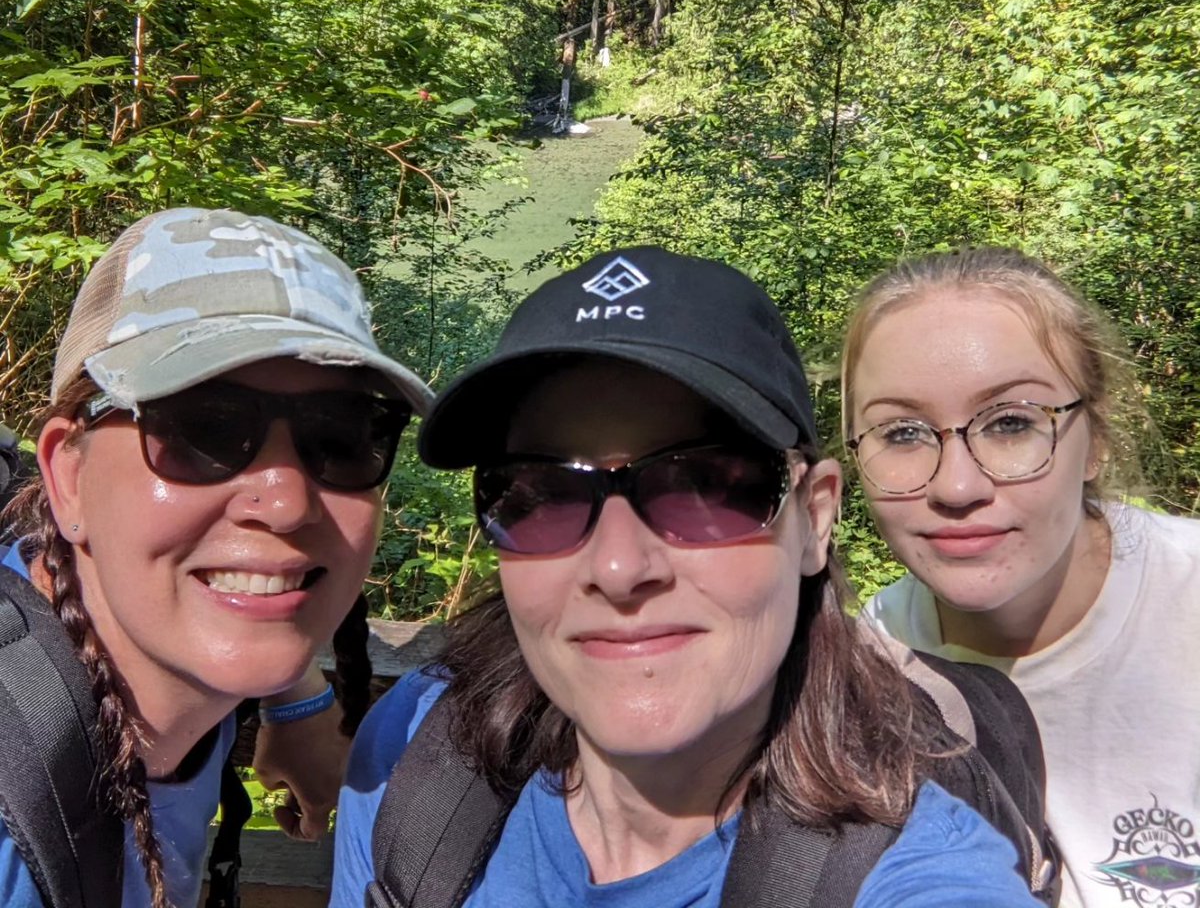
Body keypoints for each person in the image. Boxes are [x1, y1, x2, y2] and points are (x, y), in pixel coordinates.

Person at [333, 246, 1044, 907]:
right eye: (543, 495)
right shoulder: (419, 752)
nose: (617, 568)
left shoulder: (917, 872)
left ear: (816, 519)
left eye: (706, 487)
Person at [1, 206, 433, 908]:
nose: (288, 502)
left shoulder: (151, 637)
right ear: (68, 476)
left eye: (342, 437)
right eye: (204, 430)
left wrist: (293, 702)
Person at [841, 246, 1200, 908]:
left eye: (1010, 424)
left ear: (1095, 440)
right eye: (902, 433)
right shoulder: (864, 678)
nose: (956, 485)